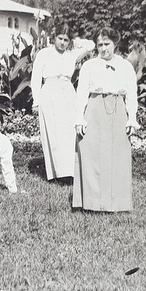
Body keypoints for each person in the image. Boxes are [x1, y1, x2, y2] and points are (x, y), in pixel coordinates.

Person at [73, 27, 139, 212]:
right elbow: (81, 94)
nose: (103, 48)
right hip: (94, 109)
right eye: (100, 44)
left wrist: (131, 118)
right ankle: (92, 202)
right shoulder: (89, 66)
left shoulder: (125, 66)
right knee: (92, 155)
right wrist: (79, 118)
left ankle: (116, 203)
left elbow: (132, 94)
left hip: (118, 109)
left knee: (118, 156)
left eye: (107, 44)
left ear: (115, 44)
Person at [31, 25, 95, 183]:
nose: (62, 43)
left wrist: (76, 40)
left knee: (69, 133)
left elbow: (91, 45)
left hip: (67, 93)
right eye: (60, 38)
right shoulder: (44, 53)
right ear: (54, 38)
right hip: (50, 93)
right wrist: (36, 100)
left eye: (66, 40)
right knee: (54, 133)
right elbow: (36, 77)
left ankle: (70, 173)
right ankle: (55, 174)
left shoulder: (72, 54)